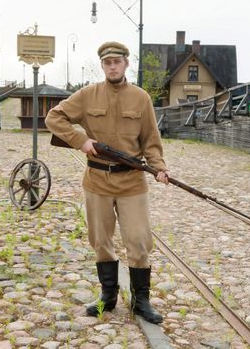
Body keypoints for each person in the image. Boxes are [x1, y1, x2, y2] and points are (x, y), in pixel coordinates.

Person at [45, 41, 169, 324]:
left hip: (132, 181)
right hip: (97, 180)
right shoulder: (88, 95)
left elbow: (151, 140)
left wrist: (159, 167)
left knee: (138, 240)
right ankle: (108, 296)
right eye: (107, 62)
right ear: (102, 66)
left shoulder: (141, 98)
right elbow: (54, 117)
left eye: (117, 61)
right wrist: (80, 140)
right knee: (100, 240)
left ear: (126, 64)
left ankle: (141, 301)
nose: (112, 66)